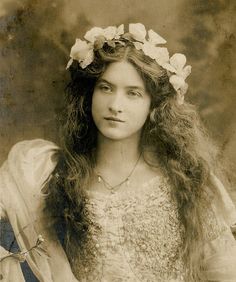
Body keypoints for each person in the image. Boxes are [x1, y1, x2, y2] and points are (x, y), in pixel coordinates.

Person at [0, 23, 236, 282]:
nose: (115, 105)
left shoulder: (186, 180)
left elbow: (224, 271)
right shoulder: (51, 177)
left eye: (133, 93)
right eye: (105, 88)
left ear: (153, 106)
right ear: (89, 95)